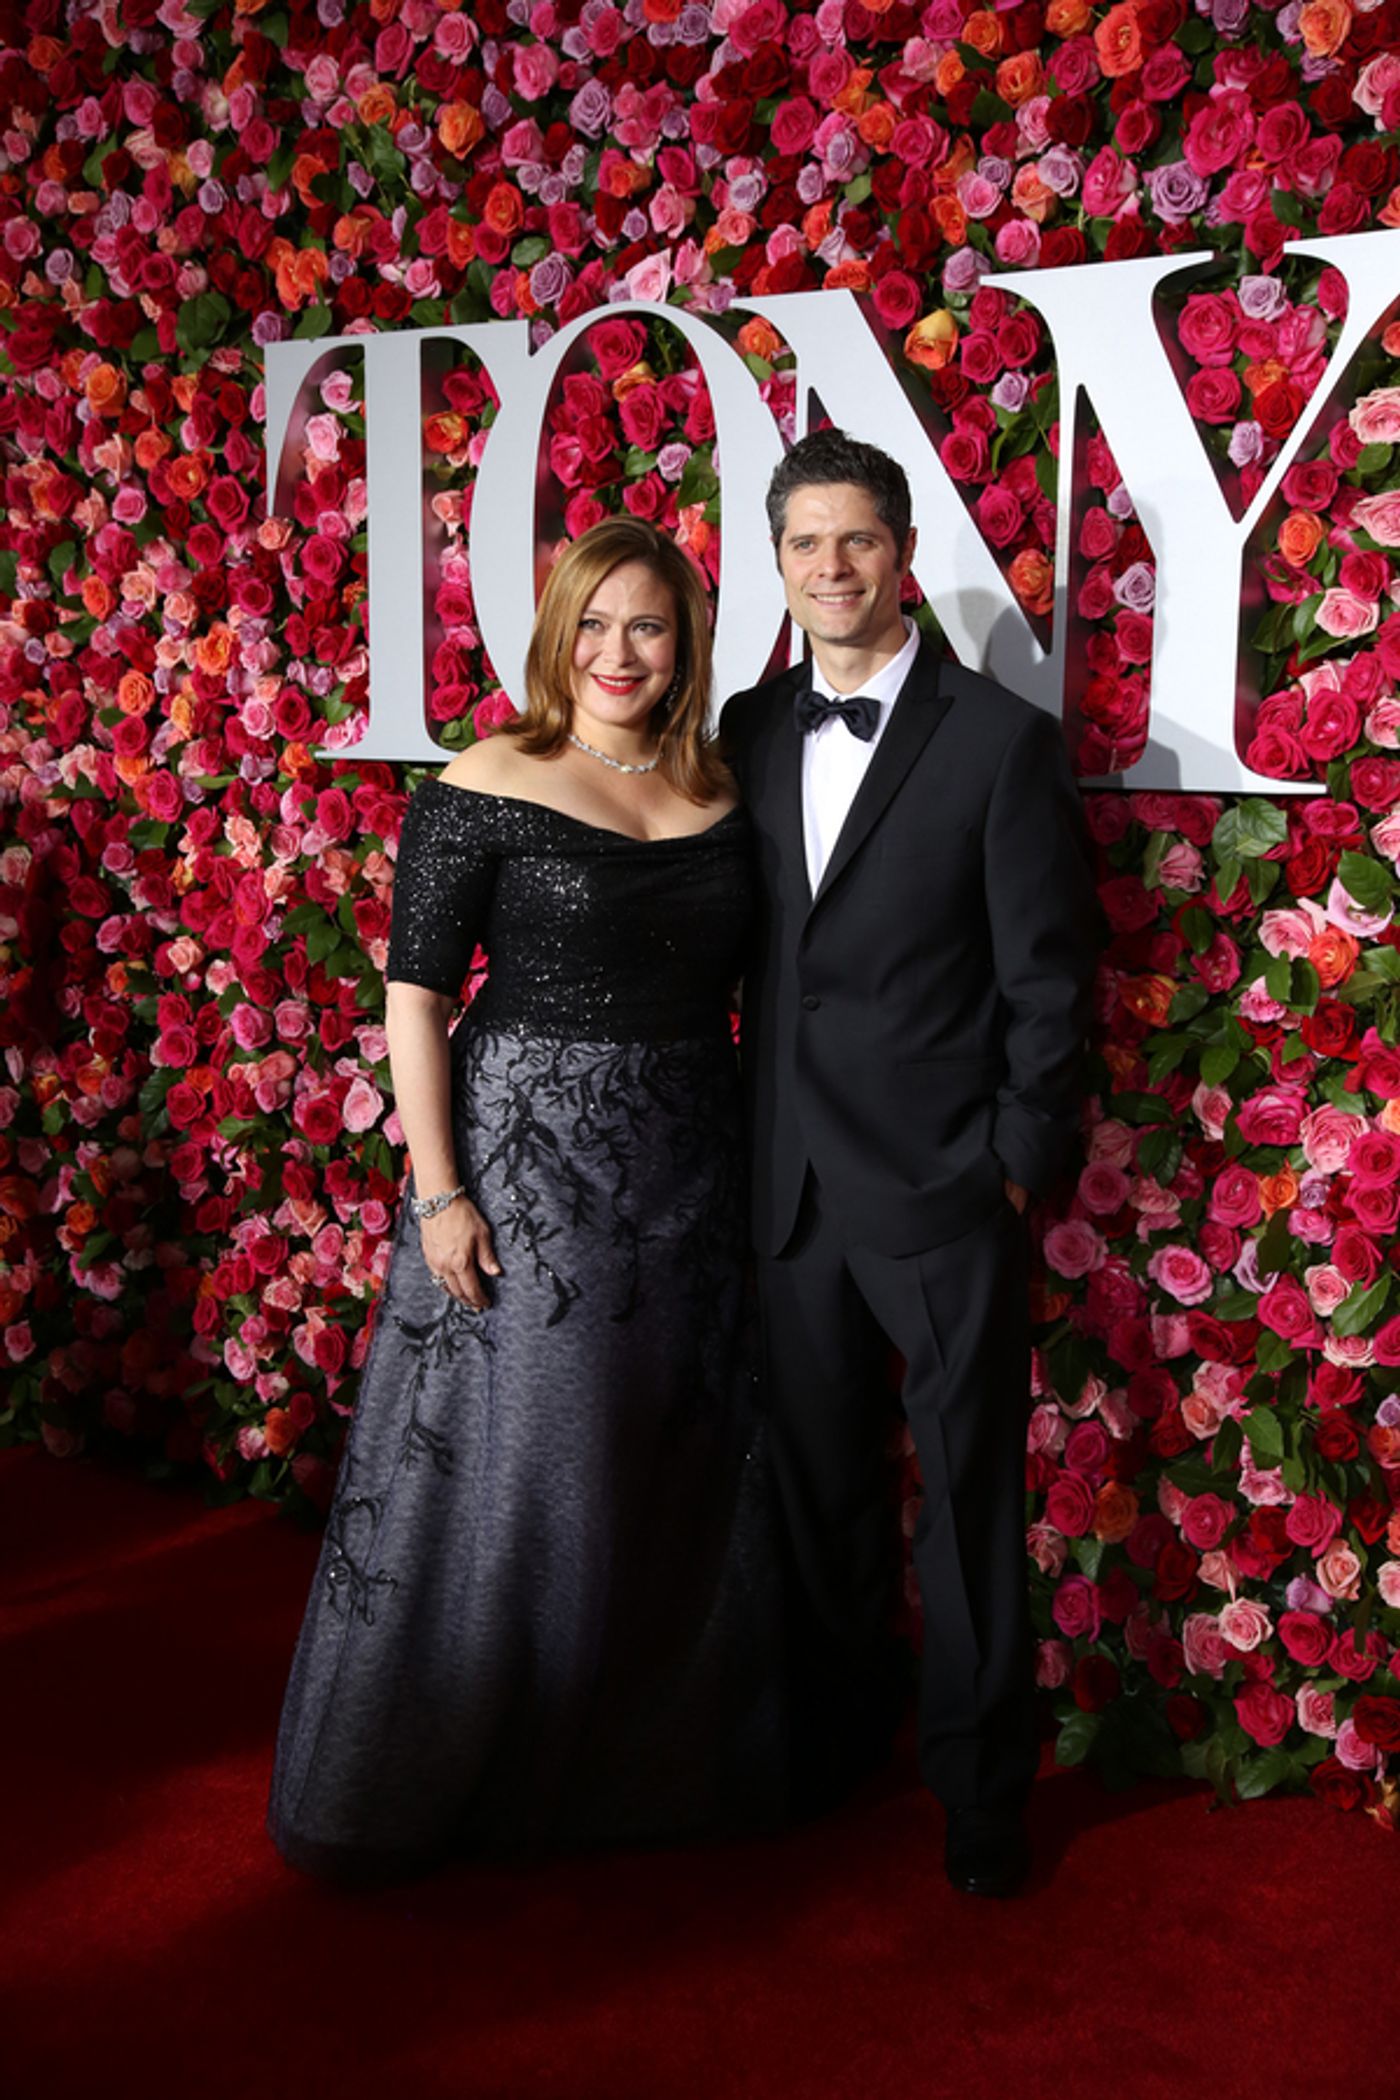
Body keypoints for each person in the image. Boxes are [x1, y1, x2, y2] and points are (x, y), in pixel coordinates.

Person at [268, 516, 785, 1879]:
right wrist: (440, 1194)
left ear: (687, 647)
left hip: (688, 1166)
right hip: (526, 1170)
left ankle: (635, 1765)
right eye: (598, 624)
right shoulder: (485, 778)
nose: (621, 652)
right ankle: (466, 1763)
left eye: (651, 626)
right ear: (559, 632)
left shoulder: (727, 790)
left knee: (661, 1459)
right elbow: (417, 999)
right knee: (533, 1465)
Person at [721, 429, 1100, 1898]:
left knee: (967, 1499)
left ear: (902, 557)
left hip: (944, 1190)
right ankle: (833, 1747)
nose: (832, 567)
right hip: (790, 1191)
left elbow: (1050, 981)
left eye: (858, 542)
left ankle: (982, 1790)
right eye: (807, 544)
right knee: (816, 1493)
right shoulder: (749, 729)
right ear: (778, 563)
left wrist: (1011, 1164)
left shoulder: (998, 742)